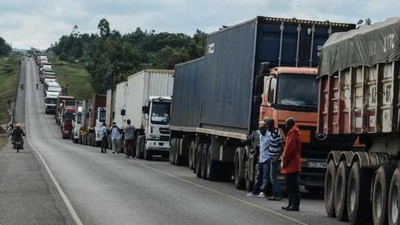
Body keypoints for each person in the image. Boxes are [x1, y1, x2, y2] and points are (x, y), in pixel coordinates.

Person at [281, 117, 301, 211]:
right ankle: (290, 204)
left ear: (290, 124)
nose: (285, 126)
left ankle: (295, 205)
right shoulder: (292, 133)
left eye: (286, 124)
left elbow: (290, 150)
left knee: (292, 185)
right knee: (289, 185)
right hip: (291, 163)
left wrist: (284, 161)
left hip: (291, 164)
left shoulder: (293, 134)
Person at [246, 122, 271, 198]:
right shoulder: (261, 135)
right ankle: (255, 191)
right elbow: (261, 145)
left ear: (265, 129)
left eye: (262, 130)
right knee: (258, 176)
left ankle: (263, 191)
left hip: (267, 158)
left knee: (265, 176)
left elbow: (273, 145)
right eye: (260, 130)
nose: (260, 131)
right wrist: (255, 149)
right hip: (261, 158)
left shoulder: (269, 136)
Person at [264, 117, 283, 201]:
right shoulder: (272, 133)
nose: (266, 128)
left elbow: (281, 147)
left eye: (266, 126)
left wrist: (276, 158)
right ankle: (276, 194)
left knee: (274, 177)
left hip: (274, 159)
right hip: (272, 157)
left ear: (269, 126)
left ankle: (277, 194)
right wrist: (269, 147)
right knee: (273, 176)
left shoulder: (275, 134)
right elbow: (273, 143)